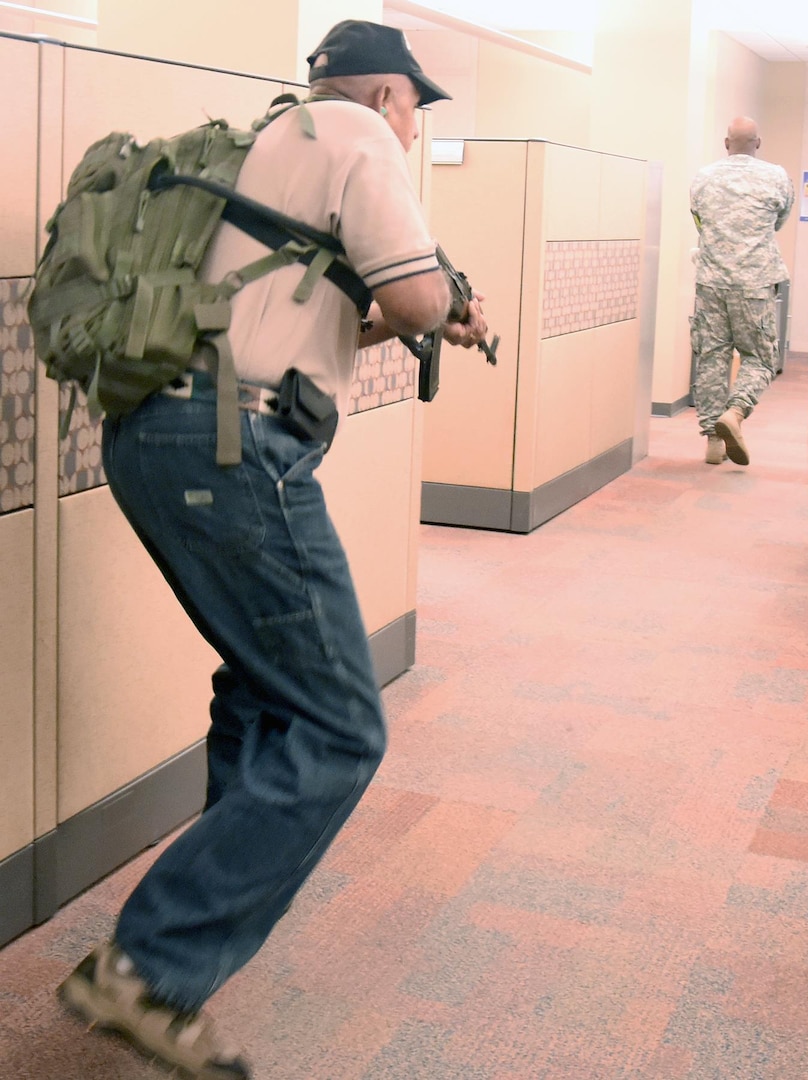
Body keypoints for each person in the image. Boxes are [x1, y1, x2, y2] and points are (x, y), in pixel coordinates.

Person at [56, 19, 488, 1080]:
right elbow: (417, 294)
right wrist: (451, 304)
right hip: (233, 447)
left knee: (262, 688)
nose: (409, 125)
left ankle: (196, 925)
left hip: (158, 436)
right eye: (411, 109)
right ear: (390, 95)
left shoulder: (261, 140)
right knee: (342, 724)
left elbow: (326, 313)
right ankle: (150, 967)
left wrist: (416, 310)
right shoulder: (357, 136)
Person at [690, 116, 794, 466]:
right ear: (758, 143)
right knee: (760, 356)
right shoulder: (777, 176)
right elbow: (778, 221)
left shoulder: (703, 177)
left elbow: (699, 221)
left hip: (711, 282)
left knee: (711, 357)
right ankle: (735, 413)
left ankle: (713, 442)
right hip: (755, 283)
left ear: (725, 143)